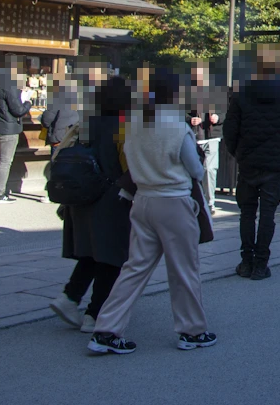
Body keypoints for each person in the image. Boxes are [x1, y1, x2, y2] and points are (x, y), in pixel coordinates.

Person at [88, 71, 216, 355]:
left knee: (134, 268)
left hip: (142, 200)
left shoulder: (135, 123)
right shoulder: (176, 126)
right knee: (183, 270)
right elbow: (195, 170)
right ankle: (192, 330)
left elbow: (130, 164)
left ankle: (106, 329)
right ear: (175, 94)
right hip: (174, 201)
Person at [50, 76, 132, 333]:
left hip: (80, 197)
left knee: (90, 252)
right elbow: (129, 165)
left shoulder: (84, 124)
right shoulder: (123, 126)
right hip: (112, 200)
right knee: (111, 257)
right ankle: (95, 314)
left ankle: (70, 296)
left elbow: (59, 154)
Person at [224, 50, 280, 280]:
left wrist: (237, 152)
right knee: (268, 214)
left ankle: (246, 260)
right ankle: (261, 263)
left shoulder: (241, 94)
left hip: (248, 161)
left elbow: (230, 130)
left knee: (247, 213)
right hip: (275, 162)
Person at [0, 63, 33, 204]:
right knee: (5, 162)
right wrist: (27, 102)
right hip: (9, 129)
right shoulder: (10, 88)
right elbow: (18, 110)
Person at [186, 63, 223, 213]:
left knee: (210, 169)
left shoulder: (217, 92)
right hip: (193, 136)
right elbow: (179, 112)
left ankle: (210, 201)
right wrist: (189, 120)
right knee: (192, 169)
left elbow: (226, 112)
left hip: (211, 136)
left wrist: (218, 117)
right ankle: (195, 198)